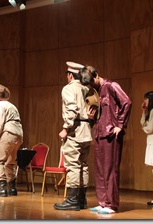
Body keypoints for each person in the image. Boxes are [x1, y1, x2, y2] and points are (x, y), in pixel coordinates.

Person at [81, 65, 132, 214]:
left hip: (111, 133)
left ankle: (111, 204)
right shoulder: (96, 92)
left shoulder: (111, 86)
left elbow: (127, 102)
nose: (90, 86)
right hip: (99, 133)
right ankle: (102, 202)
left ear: (96, 75)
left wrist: (120, 125)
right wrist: (91, 118)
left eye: (91, 82)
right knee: (100, 169)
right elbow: (99, 114)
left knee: (110, 169)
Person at [54, 62, 97, 211]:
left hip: (75, 130)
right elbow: (95, 109)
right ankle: (81, 200)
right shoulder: (88, 89)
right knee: (83, 165)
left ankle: (72, 200)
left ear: (70, 75)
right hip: (87, 131)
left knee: (72, 165)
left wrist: (66, 128)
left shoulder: (69, 88)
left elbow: (72, 109)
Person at [0, 84, 23, 197]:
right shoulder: (12, 105)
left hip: (8, 134)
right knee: (10, 161)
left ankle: (2, 188)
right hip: (18, 134)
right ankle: (12, 188)